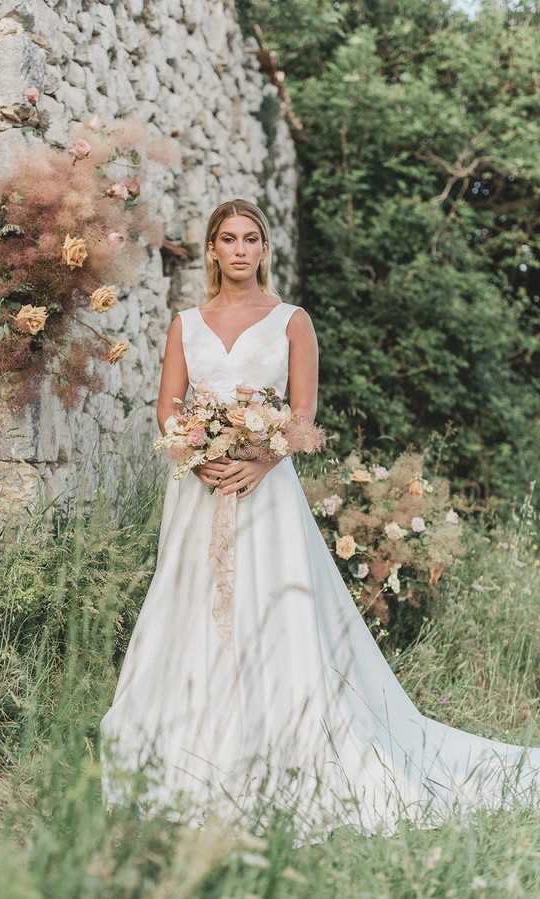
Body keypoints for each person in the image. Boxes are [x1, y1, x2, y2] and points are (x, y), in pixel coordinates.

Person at [100, 198, 540, 845]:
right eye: (229, 239)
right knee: (195, 605)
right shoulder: (185, 325)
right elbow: (169, 408)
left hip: (266, 491)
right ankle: (190, 734)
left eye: (252, 238)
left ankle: (281, 735)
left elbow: (302, 417)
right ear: (213, 251)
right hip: (199, 496)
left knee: (270, 608)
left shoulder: (291, 322)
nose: (242, 249)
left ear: (264, 249)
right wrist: (200, 461)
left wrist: (258, 458)